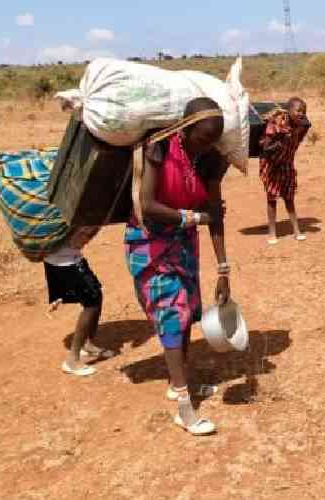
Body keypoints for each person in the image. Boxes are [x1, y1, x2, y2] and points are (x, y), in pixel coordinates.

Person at [125, 97, 230, 436]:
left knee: (188, 314)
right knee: (172, 312)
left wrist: (224, 269)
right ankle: (184, 408)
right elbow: (149, 204)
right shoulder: (159, 147)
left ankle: (176, 382)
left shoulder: (211, 159)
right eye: (202, 137)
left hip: (185, 245)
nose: (207, 144)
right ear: (185, 128)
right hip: (149, 242)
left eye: (214, 139)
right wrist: (194, 216)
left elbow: (215, 216)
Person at [44, 225, 114, 377]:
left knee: (96, 295)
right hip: (64, 260)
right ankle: (72, 360)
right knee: (91, 304)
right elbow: (78, 236)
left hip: (69, 257)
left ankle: (87, 344)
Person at [259, 97, 311, 245]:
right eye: (298, 110)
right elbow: (266, 147)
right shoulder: (277, 123)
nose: (301, 114)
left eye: (303, 111)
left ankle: (296, 231)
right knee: (272, 198)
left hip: (287, 163)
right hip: (271, 164)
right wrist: (281, 138)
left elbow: (306, 124)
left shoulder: (301, 125)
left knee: (289, 197)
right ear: (288, 110)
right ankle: (272, 232)